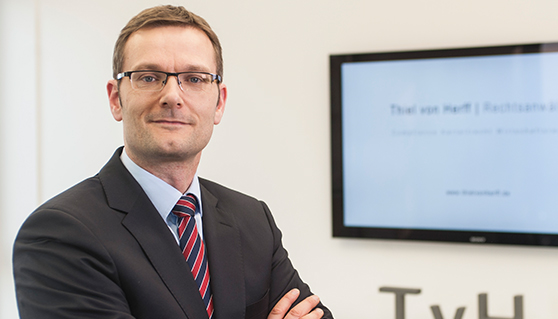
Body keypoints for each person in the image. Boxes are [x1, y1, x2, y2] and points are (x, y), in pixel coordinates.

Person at [13, 5, 333, 319]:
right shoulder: (60, 234)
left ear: (219, 102)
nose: (172, 96)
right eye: (149, 77)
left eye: (194, 79)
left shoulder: (252, 220)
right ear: (115, 99)